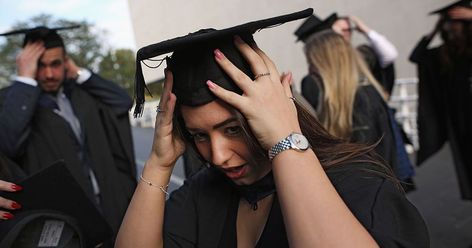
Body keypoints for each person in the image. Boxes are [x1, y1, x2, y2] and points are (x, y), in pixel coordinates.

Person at [116, 9, 428, 247]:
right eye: (199, 135)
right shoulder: (203, 193)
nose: (218, 156)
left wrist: (284, 137)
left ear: (274, 104)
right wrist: (159, 164)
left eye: (233, 129)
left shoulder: (356, 180)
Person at [0, 26, 137, 237]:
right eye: (39, 65)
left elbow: (122, 102)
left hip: (111, 210)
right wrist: (25, 80)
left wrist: (78, 73)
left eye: (55, 64)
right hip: (62, 222)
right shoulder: (12, 101)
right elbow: (9, 144)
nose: (48, 74)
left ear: (66, 62)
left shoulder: (80, 95)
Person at [303, 29, 415, 191]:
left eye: (312, 63)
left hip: (371, 197)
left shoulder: (362, 100)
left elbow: (368, 168)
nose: (310, 71)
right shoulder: (341, 100)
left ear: (328, 63)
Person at [409, 0, 472, 200]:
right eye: (447, 24)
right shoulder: (444, 55)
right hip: (462, 122)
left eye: (455, 23)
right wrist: (434, 30)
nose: (450, 28)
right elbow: (417, 56)